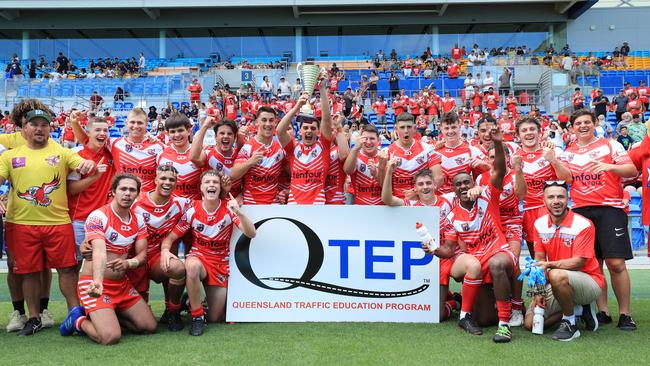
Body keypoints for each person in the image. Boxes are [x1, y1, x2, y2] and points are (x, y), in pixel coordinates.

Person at [0, 109, 95, 336]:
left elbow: (82, 163)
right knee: (29, 271)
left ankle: (75, 314)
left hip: (58, 222)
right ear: (24, 130)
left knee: (67, 270)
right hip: (21, 223)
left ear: (49, 129)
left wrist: (87, 167)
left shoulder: (62, 152)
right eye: (34, 125)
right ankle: (33, 318)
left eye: (44, 125)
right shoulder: (9, 156)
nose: (39, 129)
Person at [560, 110, 638, 330]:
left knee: (616, 263)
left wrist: (610, 167)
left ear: (595, 124)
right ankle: (603, 311)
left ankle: (625, 314)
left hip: (610, 208)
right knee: (594, 264)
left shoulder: (612, 145)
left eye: (587, 122)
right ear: (572, 128)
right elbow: (566, 178)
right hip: (581, 211)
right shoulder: (569, 151)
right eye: (578, 123)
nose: (583, 126)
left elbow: (632, 170)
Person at [59, 174, 157, 344]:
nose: (127, 193)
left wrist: (128, 263)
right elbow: (99, 252)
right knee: (110, 337)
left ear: (137, 194)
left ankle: (108, 315)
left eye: (132, 190)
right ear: (113, 192)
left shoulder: (139, 220)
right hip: (95, 283)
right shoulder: (98, 216)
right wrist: (97, 282)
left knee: (149, 326)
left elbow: (142, 255)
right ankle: (77, 321)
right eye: (123, 189)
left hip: (121, 286)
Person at [444, 127, 517, 343]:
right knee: (485, 319)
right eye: (458, 184)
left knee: (497, 264)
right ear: (454, 189)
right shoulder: (452, 216)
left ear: (474, 183)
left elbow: (500, 171)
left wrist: (496, 143)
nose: (463, 186)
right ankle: (495, 306)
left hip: (499, 252)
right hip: (477, 262)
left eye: (467, 182)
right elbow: (451, 249)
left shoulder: (487, 195)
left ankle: (505, 325)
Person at [161, 170, 256, 336]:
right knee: (191, 267)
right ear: (201, 188)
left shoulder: (228, 209)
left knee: (215, 318)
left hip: (220, 263)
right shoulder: (192, 210)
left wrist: (239, 212)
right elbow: (170, 238)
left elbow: (251, 233)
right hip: (199, 257)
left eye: (215, 182)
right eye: (207, 182)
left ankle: (190, 300)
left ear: (220, 188)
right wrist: (164, 251)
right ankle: (197, 317)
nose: (211, 185)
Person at [523, 181, 604, 341]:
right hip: (559, 281)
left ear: (568, 199)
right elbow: (539, 260)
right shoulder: (539, 224)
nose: (556, 201)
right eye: (551, 197)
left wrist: (549, 265)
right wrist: (538, 291)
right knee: (530, 323)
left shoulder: (583, 224)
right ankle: (579, 310)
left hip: (588, 281)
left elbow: (578, 263)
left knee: (556, 275)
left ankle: (570, 323)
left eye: (561, 196)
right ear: (544, 200)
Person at [131, 165, 191, 330]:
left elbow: (207, 205)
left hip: (160, 259)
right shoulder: (135, 202)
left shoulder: (181, 203)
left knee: (178, 268)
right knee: (141, 325)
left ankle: (173, 311)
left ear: (176, 182)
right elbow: (109, 214)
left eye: (171, 179)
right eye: (163, 178)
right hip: (136, 260)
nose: (167, 182)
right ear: (155, 180)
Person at [514, 116, 572, 256]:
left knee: (559, 256)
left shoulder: (554, 151)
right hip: (528, 212)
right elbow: (519, 194)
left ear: (540, 132)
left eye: (532, 129)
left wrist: (553, 160)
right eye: (524, 130)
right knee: (537, 258)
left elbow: (568, 179)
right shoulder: (514, 158)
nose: (529, 133)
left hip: (553, 209)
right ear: (518, 135)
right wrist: (517, 169)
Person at [72, 108, 165, 193]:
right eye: (132, 122)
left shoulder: (159, 147)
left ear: (146, 124)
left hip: (146, 203)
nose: (136, 126)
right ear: (126, 123)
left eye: (140, 123)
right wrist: (74, 122)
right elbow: (87, 140)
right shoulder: (114, 144)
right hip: (123, 200)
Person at [276, 72, 332, 204]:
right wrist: (297, 107)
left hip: (317, 205)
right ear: (299, 131)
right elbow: (279, 130)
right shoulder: (293, 148)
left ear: (318, 132)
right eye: (305, 128)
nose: (309, 131)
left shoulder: (323, 146)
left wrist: (322, 88)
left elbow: (327, 121)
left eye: (313, 128)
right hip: (294, 204)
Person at [67, 117, 114, 263]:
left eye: (105, 130)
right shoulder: (78, 156)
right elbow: (72, 189)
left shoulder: (110, 152)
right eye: (98, 130)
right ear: (88, 133)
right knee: (74, 265)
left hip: (102, 220)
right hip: (79, 219)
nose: (102, 133)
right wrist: (94, 177)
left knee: (99, 264)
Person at [231, 107, 286, 204]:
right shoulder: (248, 147)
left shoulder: (280, 148)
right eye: (264, 120)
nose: (268, 124)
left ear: (275, 123)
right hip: (251, 204)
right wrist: (250, 162)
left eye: (271, 120)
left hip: (274, 204)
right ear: (257, 122)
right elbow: (234, 175)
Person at [385, 113, 443, 199]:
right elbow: (382, 184)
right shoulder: (386, 152)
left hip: (422, 201)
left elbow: (439, 178)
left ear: (414, 128)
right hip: (397, 204)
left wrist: (417, 193)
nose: (406, 131)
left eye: (409, 127)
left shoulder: (427, 149)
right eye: (402, 127)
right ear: (396, 129)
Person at [434, 112, 487, 194]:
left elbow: (491, 173)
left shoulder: (472, 150)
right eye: (446, 128)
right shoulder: (433, 151)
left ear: (459, 126)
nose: (450, 131)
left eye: (453, 127)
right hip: (440, 202)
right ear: (441, 129)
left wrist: (484, 165)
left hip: (463, 201)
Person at [156, 113, 201, 199]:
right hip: (172, 208)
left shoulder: (200, 153)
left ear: (188, 130)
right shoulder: (161, 155)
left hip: (195, 207)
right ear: (167, 133)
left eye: (180, 130)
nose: (177, 135)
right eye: (172, 131)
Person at [343, 124, 384, 205]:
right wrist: (355, 148)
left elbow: (389, 185)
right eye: (365, 139)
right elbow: (347, 170)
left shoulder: (384, 156)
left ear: (378, 140)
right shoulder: (355, 155)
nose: (368, 142)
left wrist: (376, 174)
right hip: (360, 206)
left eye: (372, 138)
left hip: (382, 207)